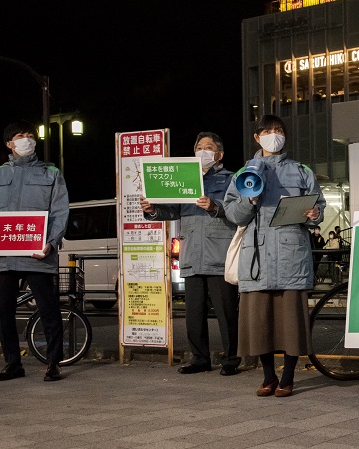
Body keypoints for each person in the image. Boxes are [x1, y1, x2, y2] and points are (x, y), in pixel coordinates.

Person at [223, 114, 325, 398]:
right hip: (256, 257)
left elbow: (318, 206)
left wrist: (315, 214)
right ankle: (268, 376)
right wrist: (250, 198)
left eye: (278, 130)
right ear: (257, 137)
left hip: (291, 255)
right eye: (267, 131)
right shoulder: (243, 172)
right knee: (260, 321)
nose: (273, 135)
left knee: (291, 321)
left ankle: (288, 376)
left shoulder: (301, 170)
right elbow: (234, 214)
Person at [0, 120, 69, 382]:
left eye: (30, 135)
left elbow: (60, 212)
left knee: (48, 309)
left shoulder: (51, 172)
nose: (26, 139)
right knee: (4, 313)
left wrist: (51, 241)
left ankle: (53, 362)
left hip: (38, 254)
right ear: (9, 144)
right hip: (3, 256)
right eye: (20, 136)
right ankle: (13, 363)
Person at [139, 132, 240, 376]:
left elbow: (240, 211)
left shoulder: (230, 180)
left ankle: (231, 359)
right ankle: (200, 359)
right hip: (192, 253)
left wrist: (215, 207)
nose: (202, 151)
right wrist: (152, 210)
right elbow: (172, 210)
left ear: (219, 155)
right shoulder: (184, 177)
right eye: (199, 147)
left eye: (208, 147)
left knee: (226, 311)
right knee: (193, 313)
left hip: (220, 254)